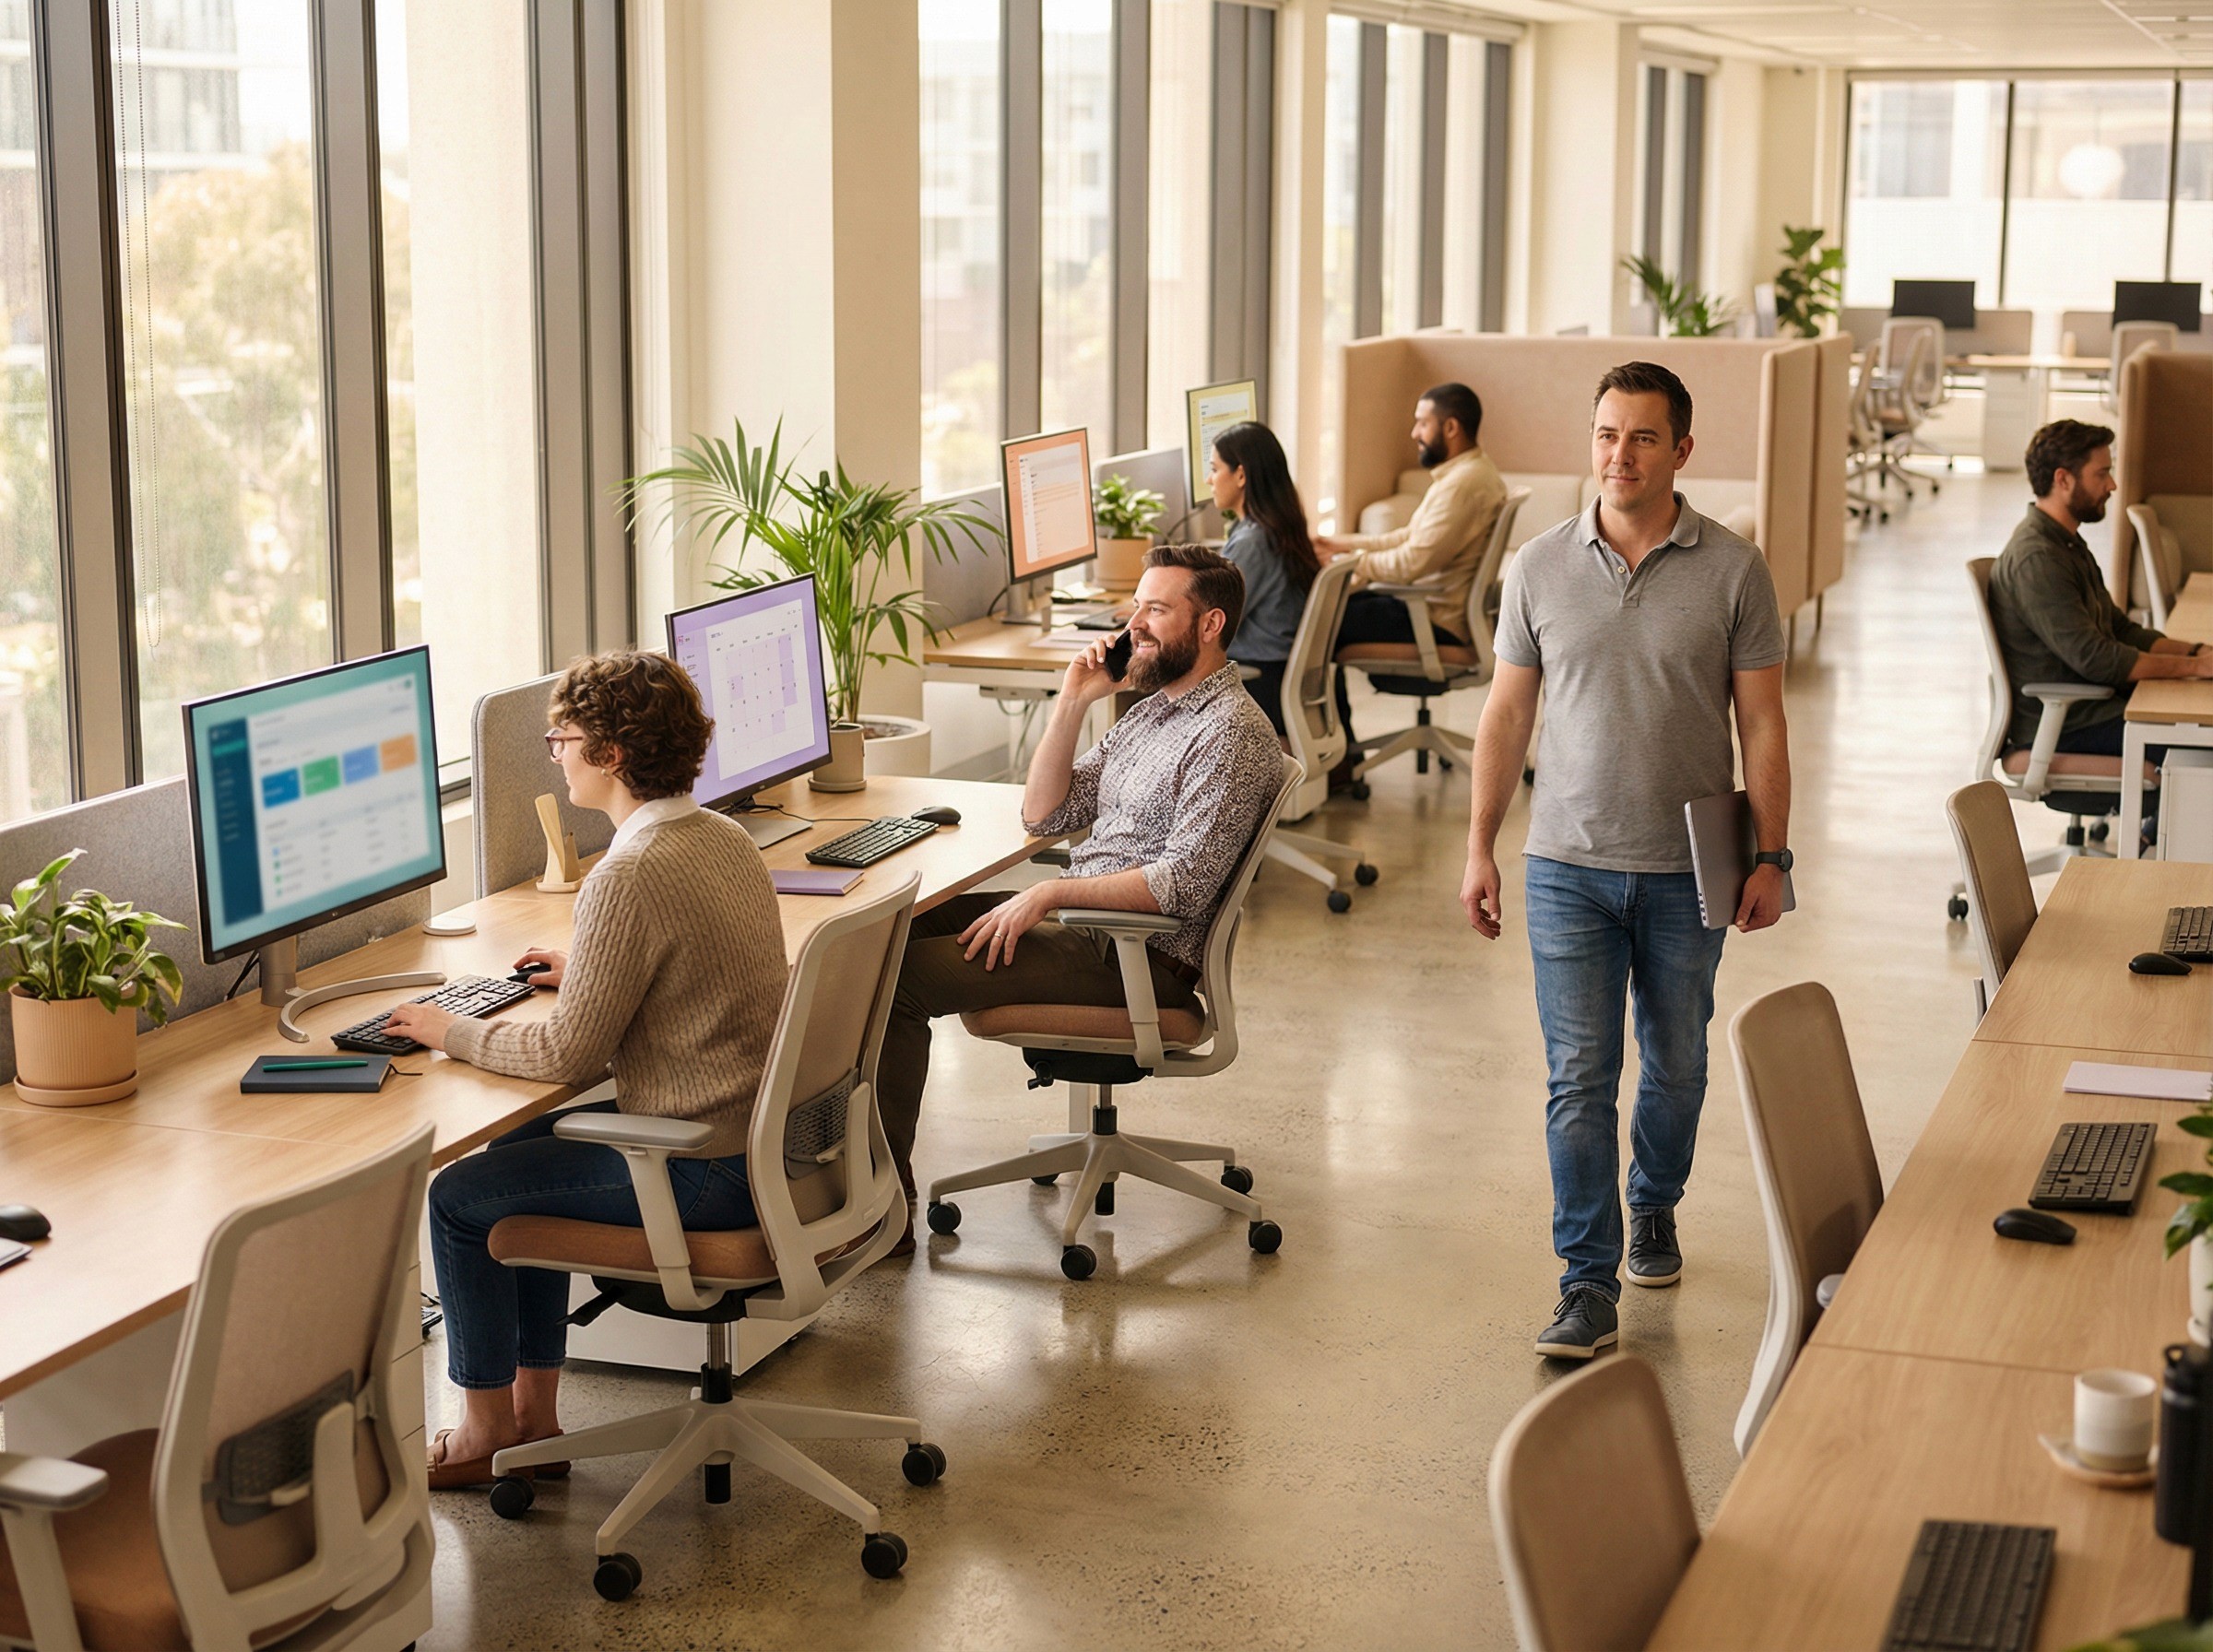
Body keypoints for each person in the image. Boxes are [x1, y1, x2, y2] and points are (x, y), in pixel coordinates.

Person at [385, 651, 788, 1490]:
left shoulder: (628, 872)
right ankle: (534, 1419)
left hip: (701, 1170)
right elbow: (698, 963)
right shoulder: (723, 838)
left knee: (458, 1197)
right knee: (514, 1154)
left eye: (562, 740)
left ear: (610, 754)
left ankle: (482, 1434)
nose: (555, 756)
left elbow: (565, 1054)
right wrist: (596, 971)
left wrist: (448, 1030)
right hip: (761, 1146)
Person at [1458, 360, 1793, 1362]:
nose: (1621, 455)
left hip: (1692, 867)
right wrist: (1479, 844)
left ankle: (1654, 1201)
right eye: (1607, 434)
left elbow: (1763, 724)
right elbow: (1506, 713)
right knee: (1579, 1078)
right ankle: (1586, 1281)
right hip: (1566, 863)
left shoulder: (1735, 569)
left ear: (1681, 449)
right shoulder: (1539, 566)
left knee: (1677, 1062)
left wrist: (1772, 855)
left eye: (1644, 437)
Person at [877, 544, 1284, 1213]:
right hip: (1088, 930)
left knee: (899, 984)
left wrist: (1050, 892)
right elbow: (1046, 814)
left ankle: (884, 1207)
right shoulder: (1154, 710)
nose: (1134, 627)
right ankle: (840, 1181)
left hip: (1135, 955)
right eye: (1135, 609)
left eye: (1156, 610)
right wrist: (1072, 700)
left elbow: (1180, 884)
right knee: (890, 934)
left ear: (1210, 624)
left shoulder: (1229, 733)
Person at [1988, 418, 2213, 768]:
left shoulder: (2066, 543)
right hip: (2070, 725)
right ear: (2063, 479)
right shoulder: (2038, 558)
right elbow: (2097, 658)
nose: (2112, 484)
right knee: (2201, 747)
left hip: (2096, 708)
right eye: (2102, 474)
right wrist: (2194, 667)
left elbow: (2120, 629)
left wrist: (2196, 652)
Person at [1315, 382, 1508, 758]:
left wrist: (1347, 564)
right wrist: (1341, 544)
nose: (1414, 433)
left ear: (1450, 427)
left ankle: (1338, 760)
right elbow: (1408, 537)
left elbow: (1409, 563)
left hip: (1434, 621)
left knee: (1316, 621)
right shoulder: (1467, 473)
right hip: (1432, 612)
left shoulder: (1462, 485)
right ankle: (1340, 756)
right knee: (1330, 609)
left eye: (1422, 423)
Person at [1209, 419, 1321, 738]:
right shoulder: (1277, 526)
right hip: (1279, 676)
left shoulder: (1253, 542)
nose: (1209, 480)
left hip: (1260, 682)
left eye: (1215, 469)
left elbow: (1215, 622)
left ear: (1241, 475)